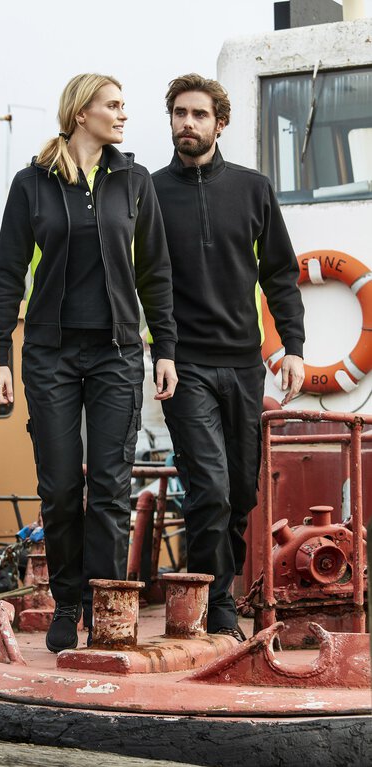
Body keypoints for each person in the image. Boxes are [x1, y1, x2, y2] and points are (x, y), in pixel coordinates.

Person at [0, 73, 178, 653]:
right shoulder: (32, 184)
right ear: (80, 113)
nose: (123, 114)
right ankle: (67, 603)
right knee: (61, 486)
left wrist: (164, 350)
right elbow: (7, 272)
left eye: (123, 106)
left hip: (117, 352)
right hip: (50, 354)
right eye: (112, 105)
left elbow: (155, 273)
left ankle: (103, 605)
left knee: (112, 487)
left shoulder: (134, 182)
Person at [152, 73, 305, 640]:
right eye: (179, 113)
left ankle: (221, 591)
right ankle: (216, 606)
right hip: (183, 364)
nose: (187, 123)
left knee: (240, 492)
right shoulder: (149, 192)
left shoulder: (252, 188)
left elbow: (280, 273)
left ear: (220, 123)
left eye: (198, 114)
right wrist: (160, 349)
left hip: (243, 363)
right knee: (209, 488)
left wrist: (293, 346)